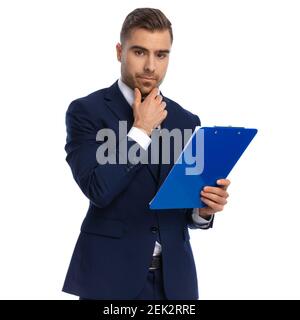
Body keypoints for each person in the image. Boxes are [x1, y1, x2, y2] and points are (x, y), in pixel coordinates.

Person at [62, 7, 230, 300]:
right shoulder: (86, 112)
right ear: (119, 51)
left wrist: (202, 210)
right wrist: (140, 130)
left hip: (175, 282)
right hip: (109, 278)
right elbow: (97, 189)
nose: (151, 66)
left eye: (161, 54)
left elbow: (182, 210)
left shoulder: (187, 121)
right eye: (140, 52)